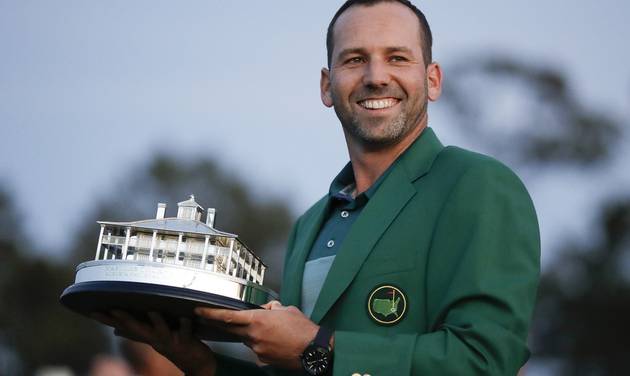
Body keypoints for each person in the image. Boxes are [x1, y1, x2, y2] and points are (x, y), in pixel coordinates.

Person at [94, 1, 540, 375]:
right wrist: (203, 365)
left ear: (433, 79)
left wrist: (320, 347)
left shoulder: (477, 185)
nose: (376, 76)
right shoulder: (310, 223)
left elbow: (486, 362)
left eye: (398, 58)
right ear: (328, 86)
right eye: (354, 59)